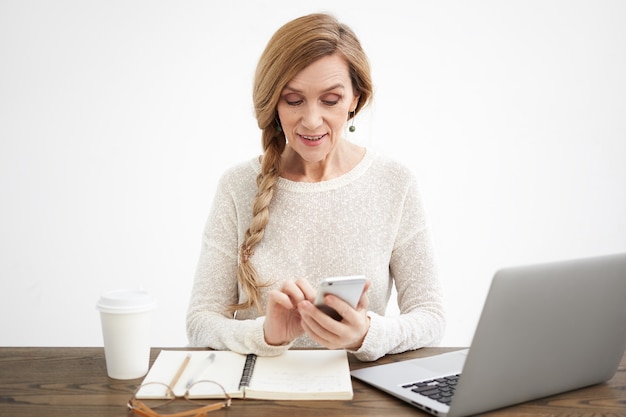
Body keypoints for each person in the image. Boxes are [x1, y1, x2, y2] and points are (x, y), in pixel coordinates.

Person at [186, 12, 445, 362]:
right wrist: (265, 335)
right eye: (293, 100)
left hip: (360, 396)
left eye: (330, 100)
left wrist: (367, 333)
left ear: (355, 99)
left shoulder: (393, 182)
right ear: (273, 103)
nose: (310, 120)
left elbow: (430, 316)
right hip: (262, 394)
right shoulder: (237, 186)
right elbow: (201, 322)